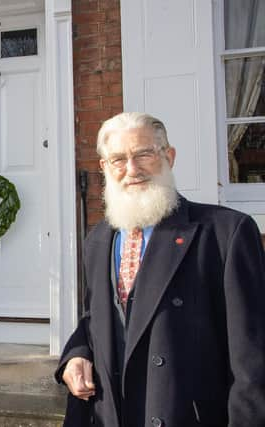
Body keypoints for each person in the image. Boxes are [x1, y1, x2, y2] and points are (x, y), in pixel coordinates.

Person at [55, 112, 265, 427]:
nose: (132, 169)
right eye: (118, 160)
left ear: (169, 156)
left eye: (143, 154)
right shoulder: (98, 240)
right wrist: (76, 354)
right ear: (104, 168)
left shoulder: (226, 233)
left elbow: (252, 358)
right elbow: (93, 320)